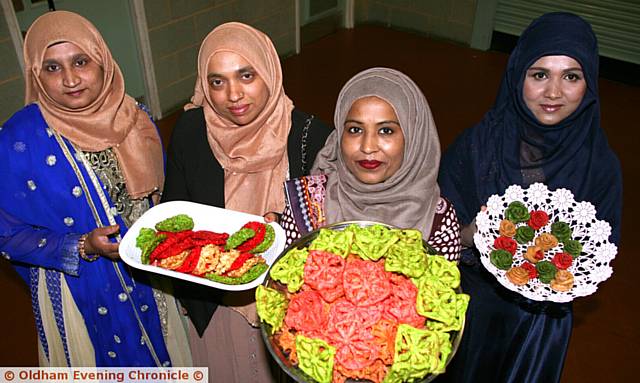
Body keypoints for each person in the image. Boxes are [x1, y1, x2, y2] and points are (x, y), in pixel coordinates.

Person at [437, 12, 622, 382]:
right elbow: (436, 239)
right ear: (517, 75)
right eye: (540, 75)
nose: (554, 93)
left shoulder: (601, 167)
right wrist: (473, 232)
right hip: (468, 311)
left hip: (539, 326)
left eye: (571, 76)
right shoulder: (476, 146)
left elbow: (597, 252)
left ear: (590, 83)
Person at [0, 11, 190, 367]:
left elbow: (161, 197)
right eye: (52, 68)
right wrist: (81, 245)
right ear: (35, 74)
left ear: (102, 61)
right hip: (83, 286)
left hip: (150, 271)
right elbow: (6, 234)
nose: (70, 79)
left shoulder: (133, 115)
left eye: (81, 61)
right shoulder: (16, 141)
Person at [161, 22, 331, 381]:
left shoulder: (311, 137)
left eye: (246, 75)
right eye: (217, 82)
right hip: (217, 306)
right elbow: (175, 217)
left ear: (268, 70)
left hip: (291, 306)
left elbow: (326, 232)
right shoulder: (192, 131)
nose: (233, 94)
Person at [280, 67, 461, 261]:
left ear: (414, 138)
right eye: (355, 129)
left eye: (386, 131)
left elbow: (441, 288)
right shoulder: (305, 205)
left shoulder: (439, 221)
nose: (367, 147)